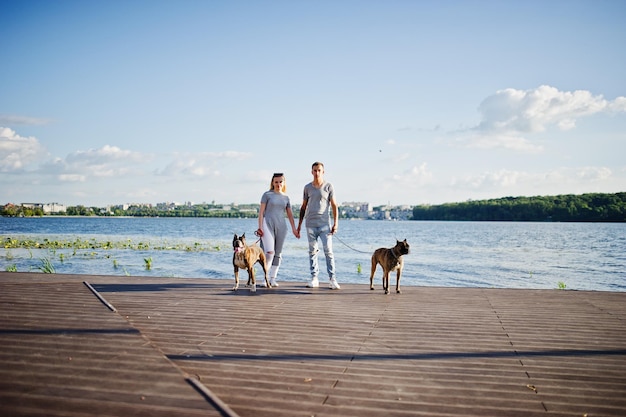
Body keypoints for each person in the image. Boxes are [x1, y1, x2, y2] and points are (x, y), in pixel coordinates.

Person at [296, 162, 340, 289]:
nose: (317, 173)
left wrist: (336, 223)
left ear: (323, 172)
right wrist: (299, 226)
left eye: (319, 170)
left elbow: (334, 205)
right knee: (312, 252)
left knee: (328, 251)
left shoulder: (328, 186)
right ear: (311, 172)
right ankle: (314, 278)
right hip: (310, 224)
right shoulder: (307, 188)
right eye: (314, 170)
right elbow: (303, 207)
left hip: (325, 225)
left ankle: (332, 279)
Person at [257, 172, 299, 287]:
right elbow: (261, 213)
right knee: (269, 252)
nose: (278, 184)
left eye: (281, 182)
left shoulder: (286, 197)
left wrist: (294, 229)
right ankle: (265, 278)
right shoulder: (267, 195)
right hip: (267, 224)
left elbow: (290, 215)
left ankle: (272, 278)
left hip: (281, 227)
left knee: (278, 253)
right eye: (276, 182)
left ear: (284, 182)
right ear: (272, 182)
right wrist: (260, 227)